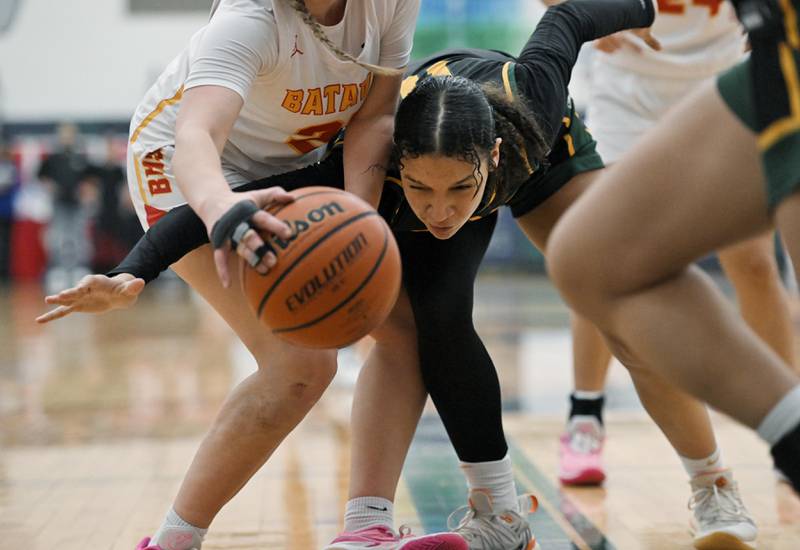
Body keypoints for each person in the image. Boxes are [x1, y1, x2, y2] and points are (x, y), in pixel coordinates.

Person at [41, 2, 770, 548]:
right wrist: (135, 269)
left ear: (489, 164)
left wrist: (649, 9)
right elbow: (202, 151)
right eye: (421, 195)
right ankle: (446, 518)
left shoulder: (529, 102)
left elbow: (568, 18)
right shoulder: (255, 28)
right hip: (206, 167)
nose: (440, 213)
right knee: (396, 335)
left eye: (455, 194)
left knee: (625, 302)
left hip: (504, 142)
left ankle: (714, 485)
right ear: (402, 180)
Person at [36, 2, 446, 550]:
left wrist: (358, 221)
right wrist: (217, 208)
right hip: (184, 163)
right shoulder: (250, 18)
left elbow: (374, 115)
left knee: (401, 327)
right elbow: (196, 137)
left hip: (290, 163)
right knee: (301, 363)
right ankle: (172, 542)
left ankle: (365, 530)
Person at [544, 0, 800, 505]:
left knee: (752, 263)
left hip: (734, 65)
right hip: (641, 83)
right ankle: (585, 414)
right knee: (592, 258)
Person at [37, 122, 93, 292]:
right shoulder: (52, 158)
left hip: (77, 205)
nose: (67, 137)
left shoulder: (80, 158)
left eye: (70, 134)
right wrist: (49, 186)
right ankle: (58, 270)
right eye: (64, 134)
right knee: (58, 238)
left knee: (78, 238)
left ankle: (78, 270)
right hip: (59, 205)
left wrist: (87, 189)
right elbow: (41, 175)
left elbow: (90, 178)